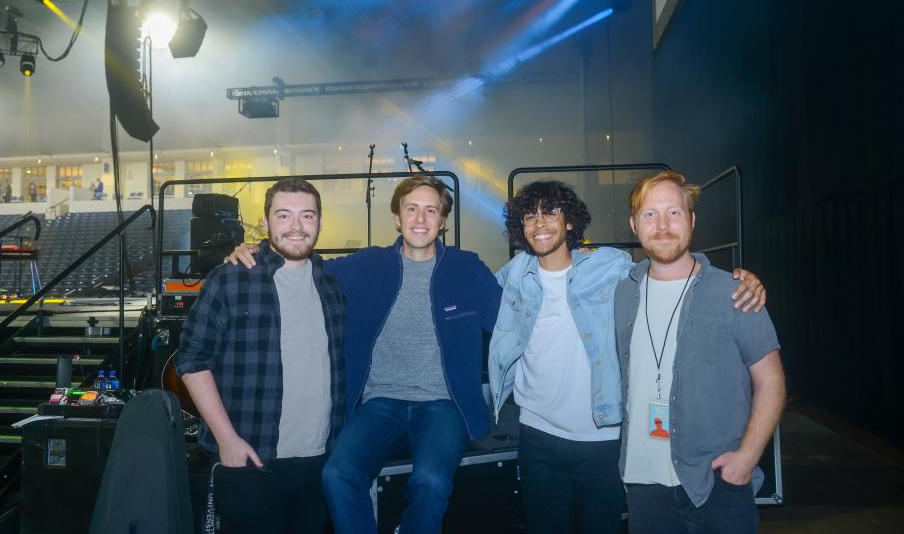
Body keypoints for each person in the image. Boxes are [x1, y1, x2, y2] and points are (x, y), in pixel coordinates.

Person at [227, 175, 502, 534]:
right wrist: (252, 249)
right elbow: (307, 264)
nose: (420, 219)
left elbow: (509, 326)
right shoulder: (367, 266)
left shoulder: (468, 269)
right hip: (380, 403)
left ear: (443, 221)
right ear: (397, 218)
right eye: (411, 209)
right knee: (337, 474)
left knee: (430, 483)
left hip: (442, 405)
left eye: (430, 210)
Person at [489, 180, 766, 534]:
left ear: (570, 221)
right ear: (519, 226)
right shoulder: (514, 276)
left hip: (602, 439)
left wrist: (742, 280)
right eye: (530, 216)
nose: (540, 223)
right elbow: (469, 296)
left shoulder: (612, 267)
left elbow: (669, 267)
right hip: (536, 435)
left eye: (551, 212)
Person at [615, 171, 785, 534]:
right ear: (633, 224)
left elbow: (771, 383)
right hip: (643, 486)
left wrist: (747, 458)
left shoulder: (734, 293)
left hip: (716, 483)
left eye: (674, 213)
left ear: (692, 220)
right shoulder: (621, 295)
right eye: (650, 214)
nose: (662, 225)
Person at [175, 178, 346, 534]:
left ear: (319, 222)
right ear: (265, 223)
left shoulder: (331, 284)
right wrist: (227, 441)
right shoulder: (231, 279)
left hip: (319, 464)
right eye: (284, 216)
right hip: (249, 460)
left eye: (307, 216)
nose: (296, 227)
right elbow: (191, 361)